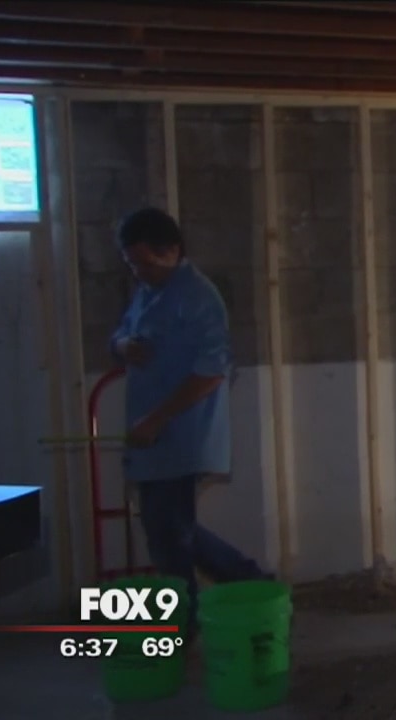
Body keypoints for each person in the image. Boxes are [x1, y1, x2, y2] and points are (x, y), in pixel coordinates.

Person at [108, 207, 270, 637]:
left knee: (168, 533)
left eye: (145, 262)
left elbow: (212, 371)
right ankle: (250, 583)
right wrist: (124, 346)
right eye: (132, 264)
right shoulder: (148, 291)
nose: (138, 272)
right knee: (171, 528)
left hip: (181, 432)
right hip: (152, 434)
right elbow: (120, 333)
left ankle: (183, 622)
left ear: (172, 251)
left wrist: (157, 419)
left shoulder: (198, 298)